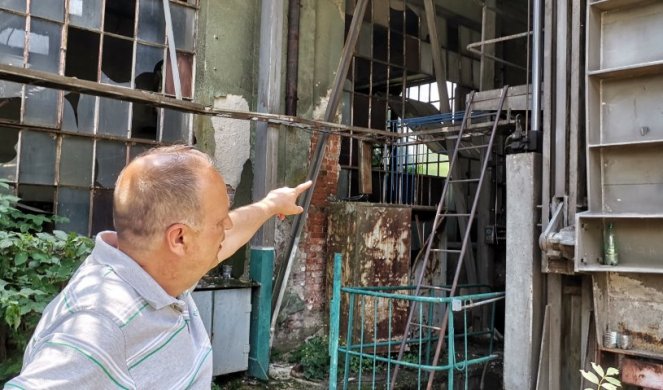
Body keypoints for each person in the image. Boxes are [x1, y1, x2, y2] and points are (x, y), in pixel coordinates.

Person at [5, 145, 312, 389]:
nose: (228, 224)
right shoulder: (103, 323)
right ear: (179, 238)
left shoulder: (154, 272)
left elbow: (226, 238)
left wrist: (271, 204)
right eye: (220, 221)